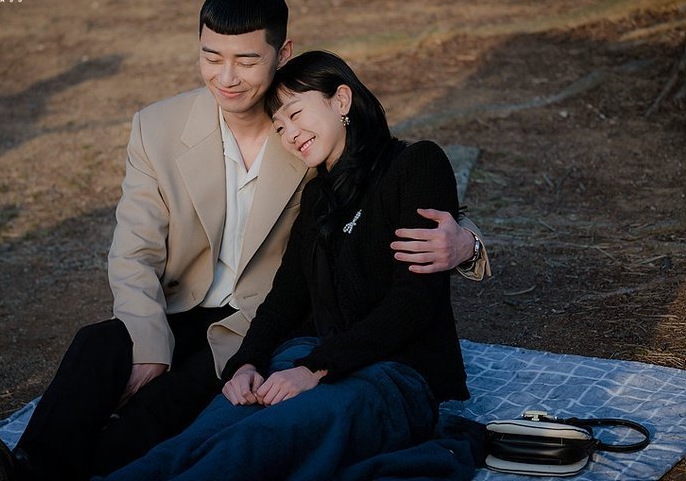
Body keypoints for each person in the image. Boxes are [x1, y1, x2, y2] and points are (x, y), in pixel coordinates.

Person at [0, 0, 488, 481]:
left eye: (247, 60)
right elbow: (135, 250)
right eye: (211, 56)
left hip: (255, 325)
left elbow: (385, 186)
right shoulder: (161, 128)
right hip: (189, 312)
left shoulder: (311, 142)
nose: (227, 77)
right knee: (98, 346)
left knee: (174, 414)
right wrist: (150, 347)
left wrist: (468, 243)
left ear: (282, 55)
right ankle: (21, 467)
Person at [97, 49, 471, 481]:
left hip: (395, 373)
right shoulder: (316, 197)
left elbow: (412, 304)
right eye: (279, 126)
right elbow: (284, 297)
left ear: (341, 99)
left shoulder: (417, 164)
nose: (290, 134)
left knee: (253, 444)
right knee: (196, 439)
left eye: (295, 114)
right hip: (306, 356)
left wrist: (315, 368)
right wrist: (247, 364)